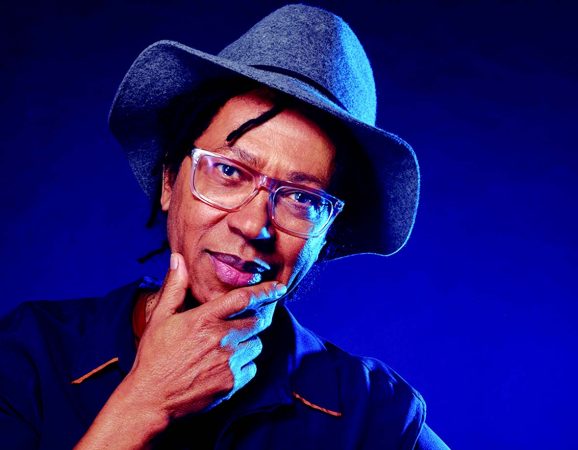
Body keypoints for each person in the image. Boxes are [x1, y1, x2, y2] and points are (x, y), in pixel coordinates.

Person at [0, 5, 449, 449]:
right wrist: (143, 404)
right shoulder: (31, 354)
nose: (254, 225)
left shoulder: (372, 415)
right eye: (230, 171)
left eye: (302, 198)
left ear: (327, 233)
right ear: (169, 181)